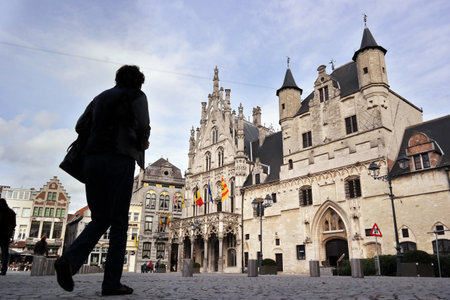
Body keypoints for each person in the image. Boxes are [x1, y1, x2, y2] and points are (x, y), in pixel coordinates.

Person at [55, 65, 150, 296]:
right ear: (138, 83)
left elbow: (80, 126)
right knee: (118, 223)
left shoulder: (100, 97)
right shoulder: (137, 95)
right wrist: (142, 142)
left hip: (92, 161)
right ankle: (111, 283)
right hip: (119, 158)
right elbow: (143, 128)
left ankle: (68, 261)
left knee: (99, 218)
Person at [0, 198, 16, 275]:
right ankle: (4, 270)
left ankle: (3, 269)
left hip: (4, 234)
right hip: (6, 234)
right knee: (5, 252)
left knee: (4, 252)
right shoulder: (11, 212)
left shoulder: (4, 212)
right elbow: (13, 225)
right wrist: (10, 234)